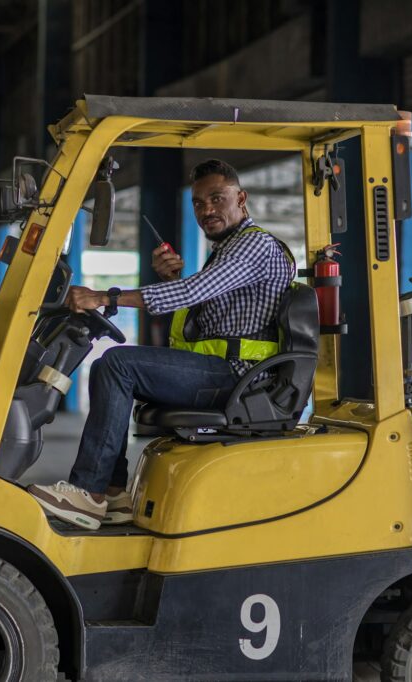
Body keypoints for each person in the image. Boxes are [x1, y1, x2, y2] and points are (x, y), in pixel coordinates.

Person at [27, 159, 295, 530]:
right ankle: (114, 492)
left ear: (241, 197)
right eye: (199, 203)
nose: (207, 210)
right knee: (113, 365)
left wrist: (104, 297)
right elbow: (204, 311)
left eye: (217, 199)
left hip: (239, 377)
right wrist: (172, 278)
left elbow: (193, 292)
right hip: (227, 372)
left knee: (118, 365)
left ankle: (89, 491)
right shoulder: (228, 249)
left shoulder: (254, 245)